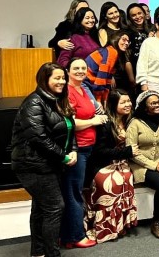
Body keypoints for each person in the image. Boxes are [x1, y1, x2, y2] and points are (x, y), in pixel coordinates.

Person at [11, 63, 78, 256]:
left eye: (63, 78)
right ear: (45, 79)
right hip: (32, 165)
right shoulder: (34, 102)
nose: (62, 81)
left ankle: (38, 253)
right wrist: (63, 156)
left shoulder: (58, 100)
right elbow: (38, 138)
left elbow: (69, 127)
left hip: (50, 163)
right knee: (55, 207)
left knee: (41, 209)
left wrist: (73, 149)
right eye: (57, 78)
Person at [60, 57, 107, 248]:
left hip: (88, 147)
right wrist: (93, 121)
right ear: (67, 71)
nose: (80, 71)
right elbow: (69, 122)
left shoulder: (83, 89)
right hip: (76, 149)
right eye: (76, 68)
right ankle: (75, 237)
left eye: (83, 68)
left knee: (75, 191)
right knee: (73, 193)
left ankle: (68, 236)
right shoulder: (68, 91)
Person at [85, 89, 139, 243]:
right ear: (114, 104)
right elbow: (100, 152)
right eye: (123, 102)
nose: (128, 104)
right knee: (111, 181)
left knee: (126, 177)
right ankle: (104, 227)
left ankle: (120, 225)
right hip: (104, 163)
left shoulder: (131, 120)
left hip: (123, 162)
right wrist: (126, 152)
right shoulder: (105, 123)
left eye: (129, 101)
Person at [126, 90, 159, 239]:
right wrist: (155, 167)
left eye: (158, 102)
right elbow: (132, 152)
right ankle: (156, 222)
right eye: (153, 103)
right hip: (141, 165)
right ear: (144, 106)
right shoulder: (135, 123)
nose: (157, 105)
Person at [84, 32, 131, 105]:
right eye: (124, 40)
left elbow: (108, 79)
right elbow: (102, 76)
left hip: (90, 83)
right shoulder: (111, 51)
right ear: (116, 39)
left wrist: (105, 99)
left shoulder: (115, 54)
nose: (127, 43)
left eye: (128, 41)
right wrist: (98, 99)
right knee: (97, 108)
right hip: (85, 81)